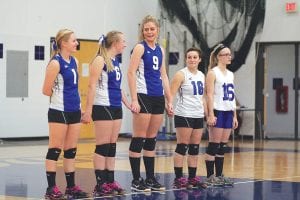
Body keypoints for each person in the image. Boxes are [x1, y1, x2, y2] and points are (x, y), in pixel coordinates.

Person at [127, 15, 173, 192]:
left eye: (152, 29)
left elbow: (164, 75)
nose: (149, 32)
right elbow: (131, 73)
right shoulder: (139, 48)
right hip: (143, 95)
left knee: (151, 139)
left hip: (157, 96)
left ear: (157, 30)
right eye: (146, 29)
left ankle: (150, 177)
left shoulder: (160, 50)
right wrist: (133, 99)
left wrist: (169, 100)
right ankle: (136, 179)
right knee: (139, 137)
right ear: (142, 31)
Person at [81, 31, 130, 197]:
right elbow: (91, 86)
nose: (125, 44)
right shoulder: (100, 59)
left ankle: (110, 181)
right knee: (102, 145)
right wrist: (88, 111)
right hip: (102, 106)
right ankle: (100, 184)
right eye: (123, 41)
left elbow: (118, 87)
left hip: (116, 106)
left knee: (112, 145)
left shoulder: (115, 61)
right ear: (115, 42)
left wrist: (128, 104)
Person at [42, 29, 88, 199]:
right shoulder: (55, 63)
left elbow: (74, 88)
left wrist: (80, 107)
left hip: (74, 111)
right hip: (58, 111)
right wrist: (60, 96)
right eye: (74, 41)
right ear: (64, 43)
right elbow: (46, 90)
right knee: (55, 149)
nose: (77, 43)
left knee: (71, 150)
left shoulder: (74, 60)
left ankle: (71, 187)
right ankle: (51, 188)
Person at [170, 47, 207, 190]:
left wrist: (207, 113)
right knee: (182, 146)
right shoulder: (181, 74)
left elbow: (202, 97)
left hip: (198, 115)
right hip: (184, 113)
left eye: (194, 57)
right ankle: (179, 178)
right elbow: (171, 93)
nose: (192, 59)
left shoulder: (202, 75)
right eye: (189, 57)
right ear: (186, 59)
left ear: (199, 59)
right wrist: (169, 106)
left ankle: (192, 178)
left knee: (194, 148)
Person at [204, 43, 238, 187]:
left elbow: (233, 95)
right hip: (218, 111)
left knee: (222, 146)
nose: (229, 57)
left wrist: (235, 115)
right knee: (214, 144)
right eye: (226, 54)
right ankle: (210, 176)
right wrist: (210, 114)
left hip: (228, 111)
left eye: (230, 54)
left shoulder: (230, 74)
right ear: (219, 57)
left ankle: (219, 175)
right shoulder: (213, 72)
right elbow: (209, 95)